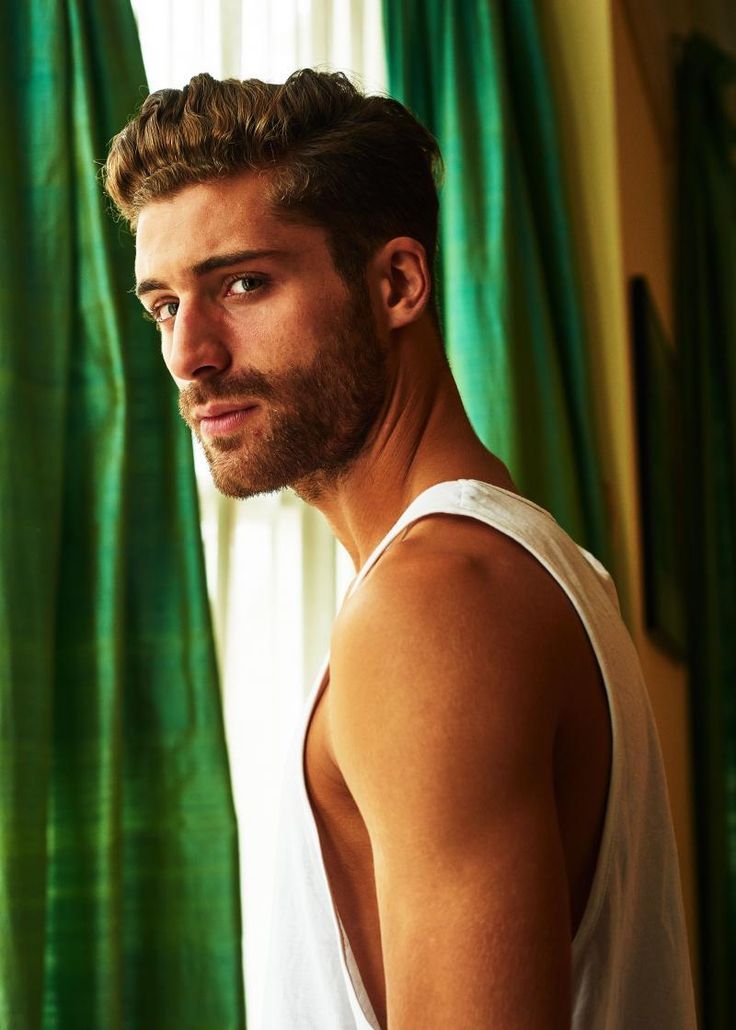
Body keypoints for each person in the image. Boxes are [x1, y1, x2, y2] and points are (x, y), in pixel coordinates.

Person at [104, 69, 696, 1029]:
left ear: (397, 283)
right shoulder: (528, 568)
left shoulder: (436, 603)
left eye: (243, 283)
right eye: (165, 305)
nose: (188, 354)